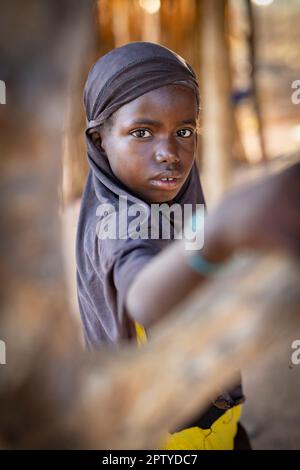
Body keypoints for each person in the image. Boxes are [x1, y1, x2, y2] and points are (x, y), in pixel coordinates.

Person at [76, 41, 253, 450]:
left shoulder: (180, 201)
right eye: (142, 132)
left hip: (213, 414)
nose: (170, 153)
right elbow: (141, 285)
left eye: (184, 131)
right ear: (100, 140)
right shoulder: (117, 225)